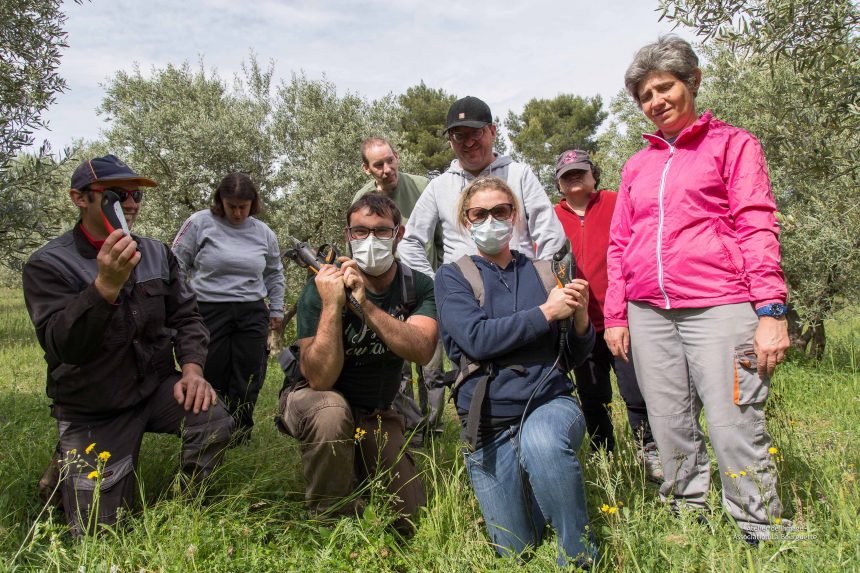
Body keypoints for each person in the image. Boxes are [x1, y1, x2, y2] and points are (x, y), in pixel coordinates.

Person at [605, 36, 790, 542]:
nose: (656, 101)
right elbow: (621, 242)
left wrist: (771, 309)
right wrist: (616, 314)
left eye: (664, 88)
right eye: (645, 95)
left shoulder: (733, 144)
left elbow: (756, 224)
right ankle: (688, 517)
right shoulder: (637, 166)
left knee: (734, 423)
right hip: (649, 312)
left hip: (722, 304)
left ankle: (760, 528)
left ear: (693, 82)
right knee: (667, 423)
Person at [23, 155, 233, 536]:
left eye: (136, 194)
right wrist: (104, 287)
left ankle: (185, 507)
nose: (132, 204)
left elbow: (186, 317)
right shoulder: (49, 265)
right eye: (117, 195)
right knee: (98, 534)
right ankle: (62, 473)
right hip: (96, 404)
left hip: (151, 388)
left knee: (213, 417)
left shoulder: (155, 252)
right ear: (80, 198)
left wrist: (192, 370)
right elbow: (63, 346)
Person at [434, 176, 598, 566]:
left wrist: (579, 319)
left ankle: (579, 557)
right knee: (516, 548)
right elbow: (476, 339)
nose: (491, 219)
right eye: (480, 213)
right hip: (488, 424)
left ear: (514, 216)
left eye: (500, 211)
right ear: (467, 221)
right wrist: (546, 313)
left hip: (549, 403)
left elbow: (573, 355)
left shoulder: (544, 272)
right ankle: (540, 496)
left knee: (542, 442)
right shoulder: (453, 277)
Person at [279, 193, 437, 535]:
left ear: (399, 234)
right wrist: (334, 305)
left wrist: (364, 305)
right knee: (331, 411)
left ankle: (355, 471)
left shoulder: (417, 286)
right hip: (316, 401)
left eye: (381, 232)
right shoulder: (318, 289)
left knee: (411, 520)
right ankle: (330, 522)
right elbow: (319, 378)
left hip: (374, 412)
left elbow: (423, 350)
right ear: (348, 235)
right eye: (360, 232)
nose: (370, 240)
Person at [553, 149, 663, 481]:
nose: (573, 178)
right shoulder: (550, 216)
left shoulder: (616, 202)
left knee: (636, 390)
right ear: (558, 182)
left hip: (622, 319)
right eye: (566, 173)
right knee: (592, 394)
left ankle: (650, 451)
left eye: (580, 171)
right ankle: (606, 457)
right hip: (580, 324)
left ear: (593, 175)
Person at [172, 172, 285, 444]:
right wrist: (179, 303)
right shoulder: (199, 223)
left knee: (248, 375)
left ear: (252, 204)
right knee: (212, 373)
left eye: (243, 207)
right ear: (220, 201)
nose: (236, 212)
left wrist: (277, 309)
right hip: (208, 310)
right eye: (231, 206)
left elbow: (274, 273)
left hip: (251, 311)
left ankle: (240, 435)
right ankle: (210, 433)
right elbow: (176, 263)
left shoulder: (263, 232)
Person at [398, 95, 565, 277]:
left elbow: (550, 235)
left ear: (492, 132)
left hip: (520, 288)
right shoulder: (438, 186)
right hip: (463, 295)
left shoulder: (520, 175)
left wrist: (545, 281)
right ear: (451, 142)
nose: (469, 142)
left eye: (476, 132)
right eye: (459, 136)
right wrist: (434, 287)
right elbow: (410, 242)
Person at [352, 138, 446, 441]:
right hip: (388, 294)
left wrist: (443, 280)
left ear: (398, 157)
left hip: (424, 290)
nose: (387, 168)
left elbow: (442, 239)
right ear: (367, 169)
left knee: (431, 367)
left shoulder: (423, 188)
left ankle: (435, 427)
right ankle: (411, 429)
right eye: (378, 164)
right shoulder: (363, 199)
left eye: (390, 160)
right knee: (398, 368)